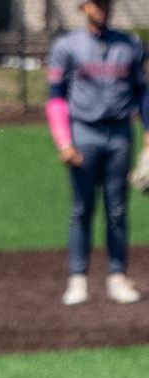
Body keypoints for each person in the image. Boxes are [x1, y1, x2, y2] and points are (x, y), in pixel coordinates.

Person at [47, 0, 149, 306]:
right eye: (96, 3)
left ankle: (117, 277)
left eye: (106, 3)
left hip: (119, 133)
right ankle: (78, 279)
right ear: (83, 8)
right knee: (82, 208)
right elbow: (56, 97)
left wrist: (148, 130)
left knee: (117, 210)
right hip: (84, 133)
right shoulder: (67, 46)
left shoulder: (130, 45)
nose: (102, 8)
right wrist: (64, 142)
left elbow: (142, 92)